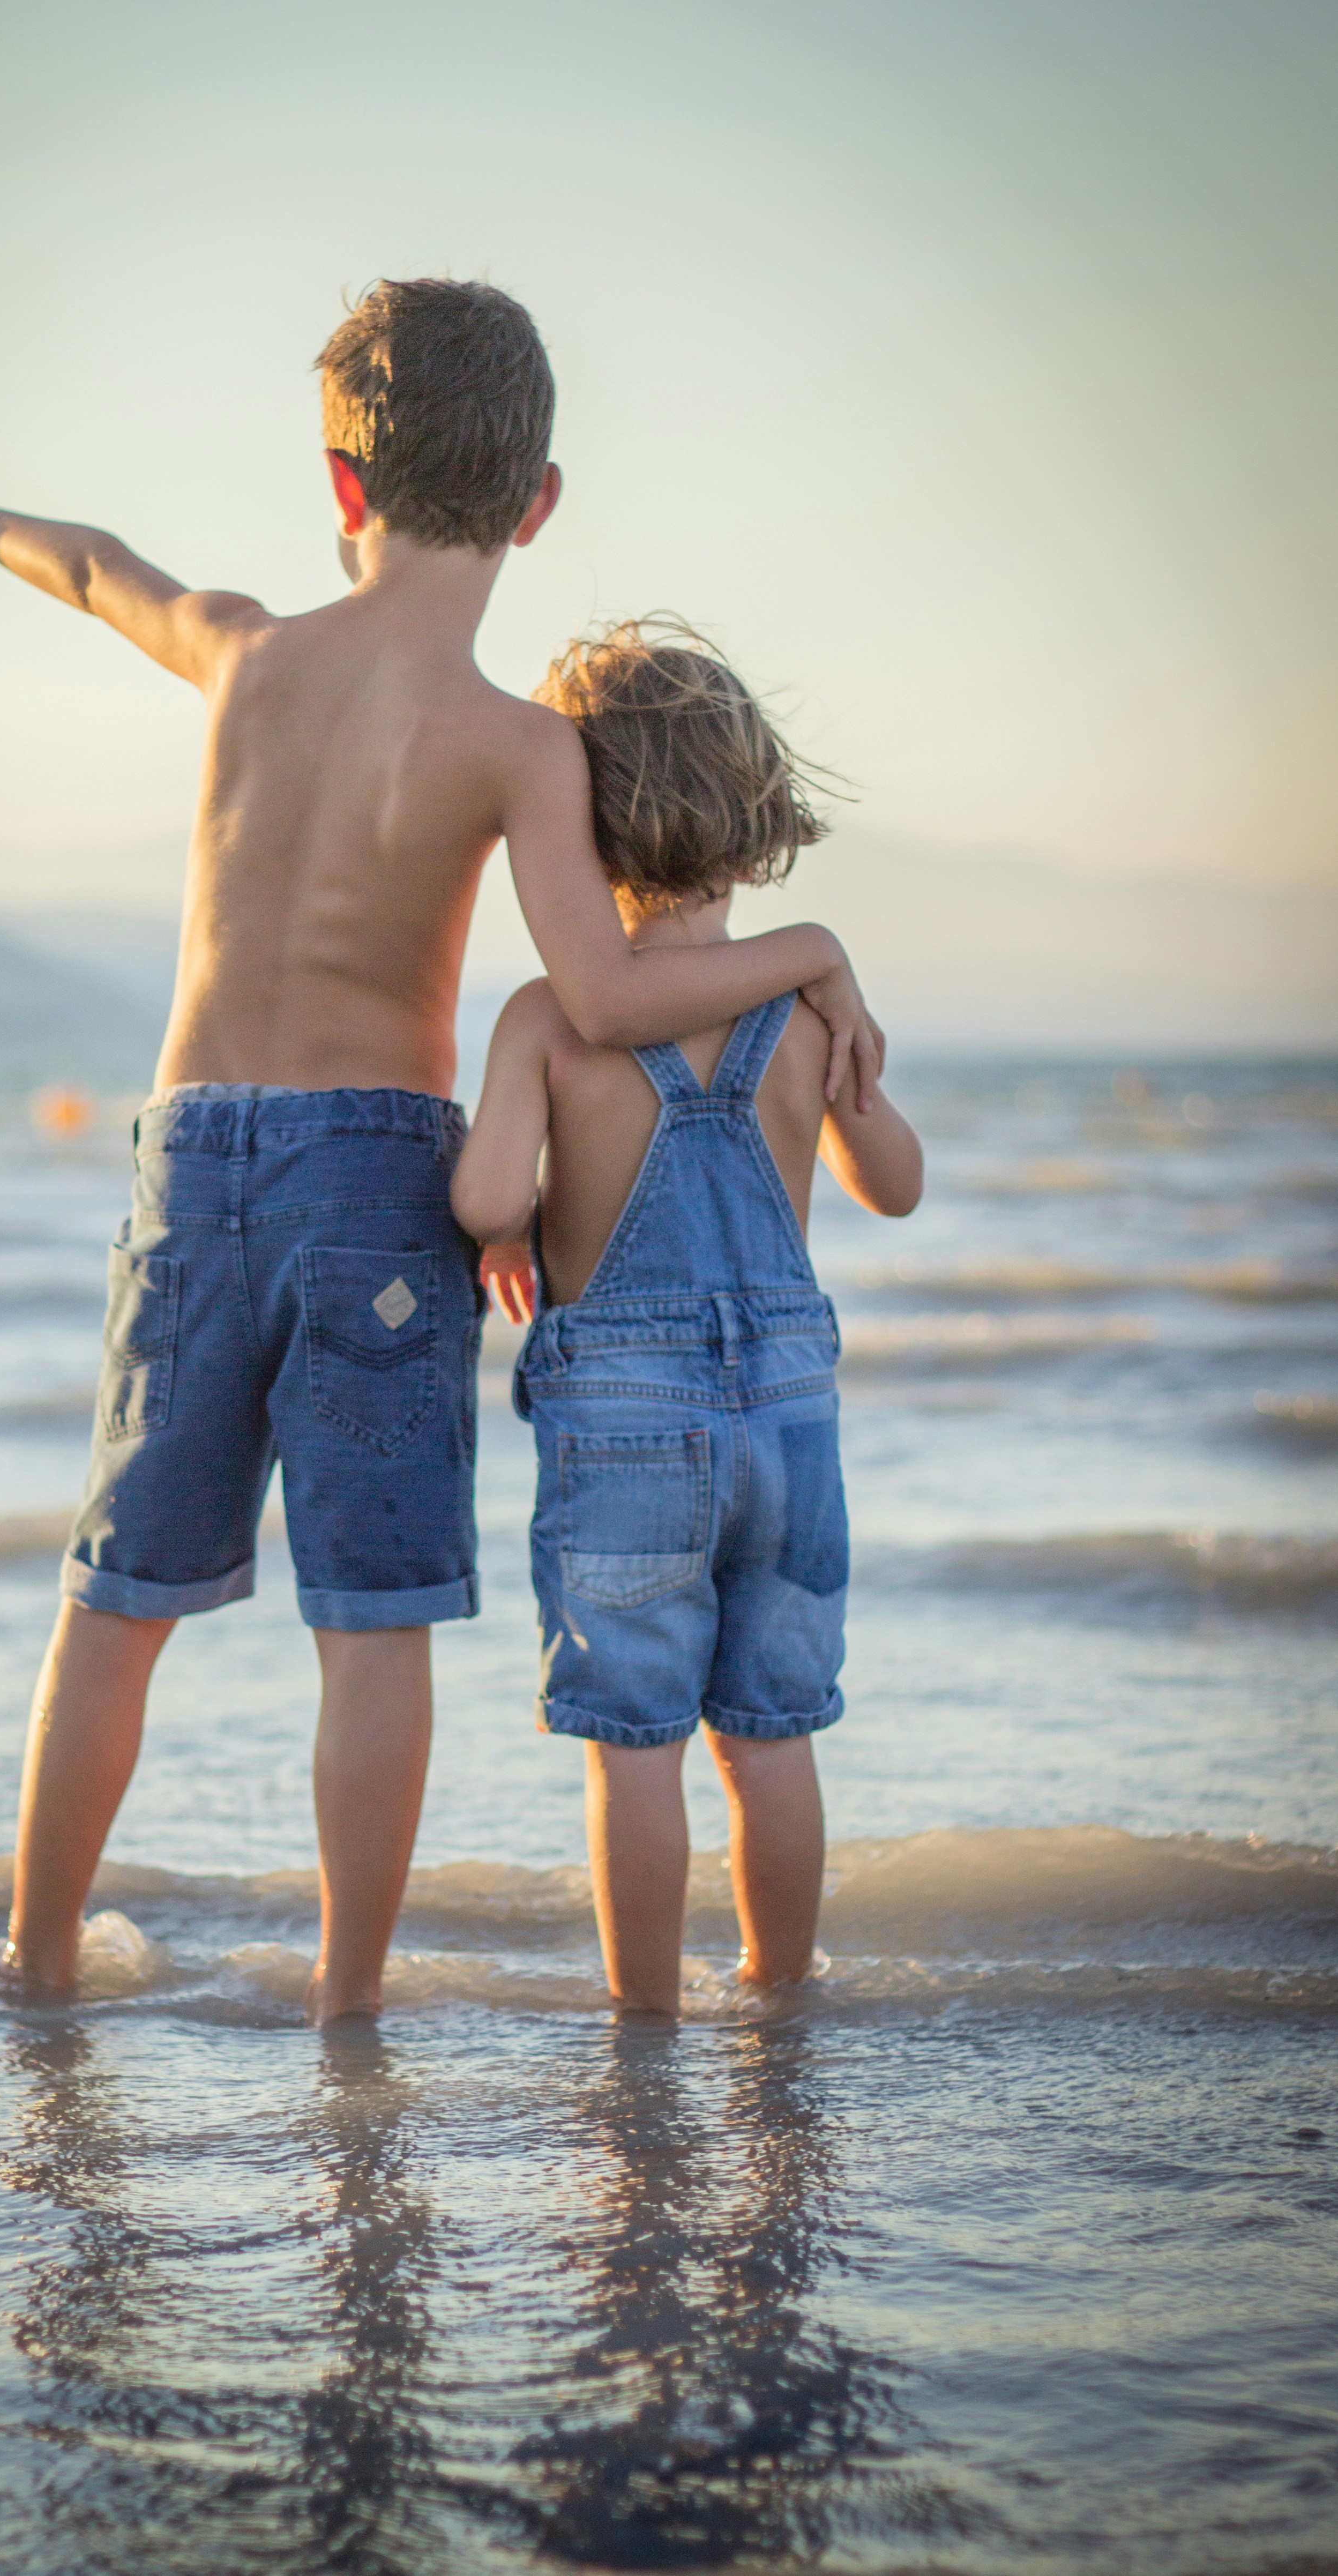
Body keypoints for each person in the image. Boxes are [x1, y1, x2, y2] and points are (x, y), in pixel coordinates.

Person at [0, 280, 883, 2021]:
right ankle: (348, 1999)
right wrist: (807, 955)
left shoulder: (245, 649)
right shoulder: (517, 745)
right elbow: (599, 987)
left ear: (340, 485)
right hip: (377, 1180)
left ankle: (33, 1964)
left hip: (193, 1159)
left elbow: (101, 563)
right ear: (539, 505)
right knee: (374, 1617)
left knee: (115, 1596)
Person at [452, 618, 923, 2018]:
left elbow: (484, 1195)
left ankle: (646, 2029)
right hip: (791, 1425)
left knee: (636, 1747)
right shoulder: (798, 1003)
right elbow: (893, 1185)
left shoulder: (549, 1017)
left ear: (572, 826)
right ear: (752, 808)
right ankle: (779, 1996)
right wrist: (853, 1065)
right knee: (771, 1740)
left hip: (626, 1436)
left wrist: (510, 1216)